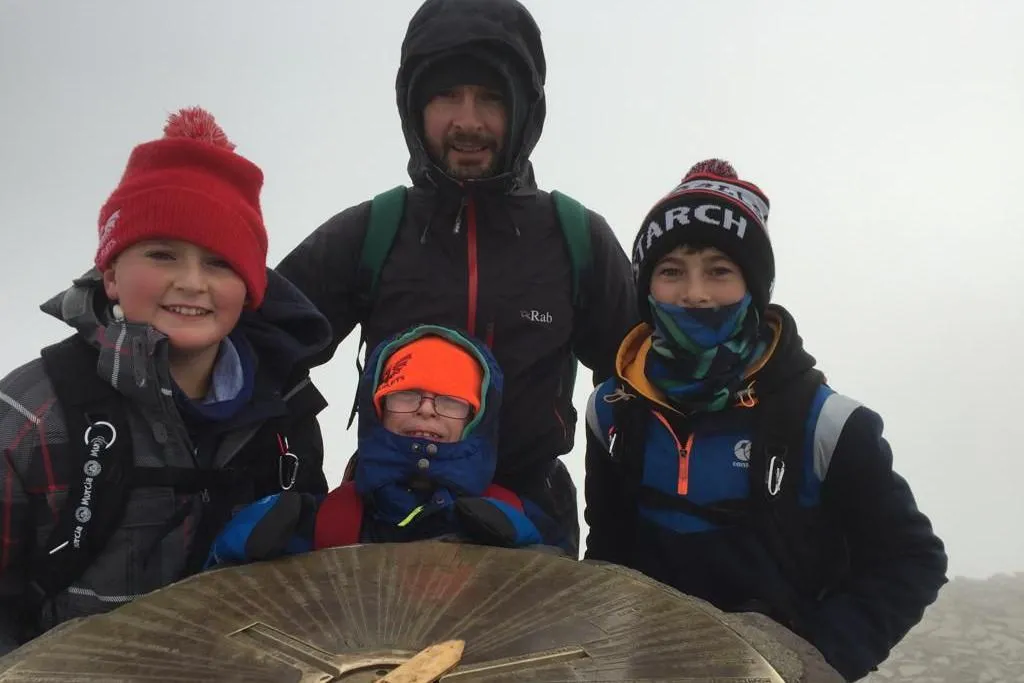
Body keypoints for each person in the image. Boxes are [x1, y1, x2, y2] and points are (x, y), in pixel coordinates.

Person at [276, 0, 638, 556]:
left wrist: (622, 533)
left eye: (491, 97)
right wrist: (298, 492)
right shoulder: (374, 229)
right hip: (384, 523)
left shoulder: (576, 238)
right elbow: (260, 353)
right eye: (446, 95)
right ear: (414, 106)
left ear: (524, 110)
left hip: (532, 528)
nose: (468, 122)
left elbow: (643, 388)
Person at [583, 159, 948, 681]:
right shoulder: (613, 411)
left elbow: (911, 558)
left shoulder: (827, 426)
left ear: (754, 285)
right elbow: (609, 544)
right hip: (643, 664)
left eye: (719, 270)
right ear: (646, 287)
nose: (694, 293)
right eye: (671, 271)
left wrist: (814, 657)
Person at [0, 107, 332, 654]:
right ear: (111, 273)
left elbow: (315, 582)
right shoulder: (31, 415)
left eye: (220, 263)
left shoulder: (285, 414)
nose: (192, 282)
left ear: (251, 287)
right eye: (162, 254)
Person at [208, 324, 564, 565]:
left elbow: (566, 609)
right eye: (407, 394)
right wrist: (237, 545)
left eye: (451, 400)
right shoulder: (323, 522)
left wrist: (530, 547)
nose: (426, 410)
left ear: (476, 419)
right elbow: (221, 604)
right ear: (377, 409)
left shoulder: (516, 517)